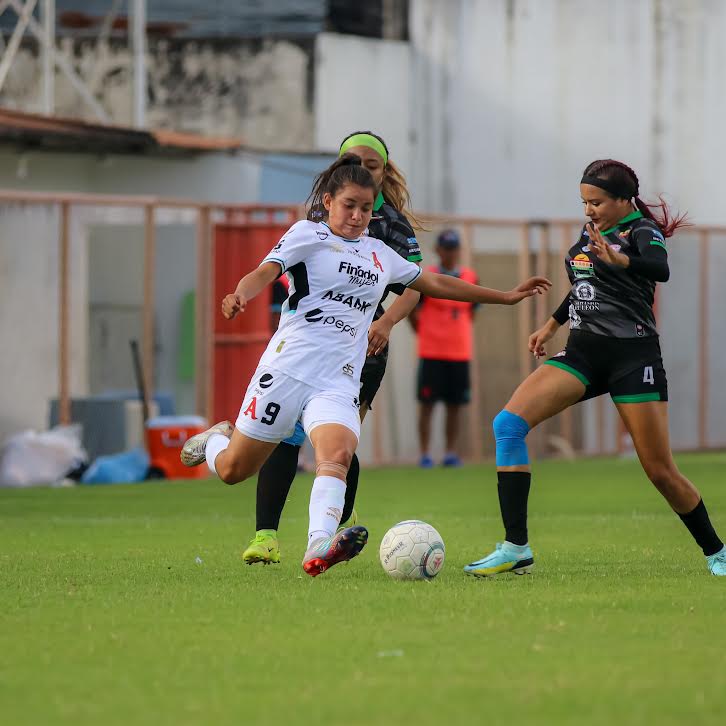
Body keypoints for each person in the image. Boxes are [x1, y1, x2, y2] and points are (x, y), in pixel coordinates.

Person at [180, 153, 551, 577]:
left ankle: (318, 545)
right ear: (327, 201)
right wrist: (240, 294)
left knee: (337, 454)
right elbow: (264, 272)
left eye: (365, 208)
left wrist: (505, 296)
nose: (357, 216)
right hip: (286, 371)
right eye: (349, 205)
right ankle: (214, 441)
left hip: (338, 380)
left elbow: (435, 282)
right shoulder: (308, 234)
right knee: (234, 470)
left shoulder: (380, 255)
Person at [464, 158, 726, 578]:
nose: (589, 210)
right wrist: (551, 325)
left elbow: (660, 269)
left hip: (633, 358)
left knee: (660, 471)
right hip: (583, 354)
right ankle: (516, 547)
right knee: (508, 425)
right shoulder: (593, 232)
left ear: (624, 200)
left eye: (597, 202)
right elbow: (585, 285)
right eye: (584, 202)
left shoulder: (643, 231)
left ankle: (717, 553)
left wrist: (623, 261)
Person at [243, 130, 425, 566]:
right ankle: (266, 535)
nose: (363, 171)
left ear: (384, 172)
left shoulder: (392, 224)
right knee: (287, 437)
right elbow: (290, 266)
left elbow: (418, 284)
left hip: (362, 350)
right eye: (353, 162)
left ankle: (331, 527)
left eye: (372, 165)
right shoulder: (319, 217)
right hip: (306, 348)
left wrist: (385, 322)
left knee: (339, 442)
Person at [410, 229, 478, 468]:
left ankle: (450, 452)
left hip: (459, 352)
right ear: (438, 250)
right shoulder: (427, 277)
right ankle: (424, 454)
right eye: (446, 249)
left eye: (454, 249)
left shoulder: (470, 277)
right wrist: (423, 330)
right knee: (427, 404)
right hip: (431, 351)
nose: (450, 253)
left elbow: (473, 311)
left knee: (455, 405)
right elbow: (411, 308)